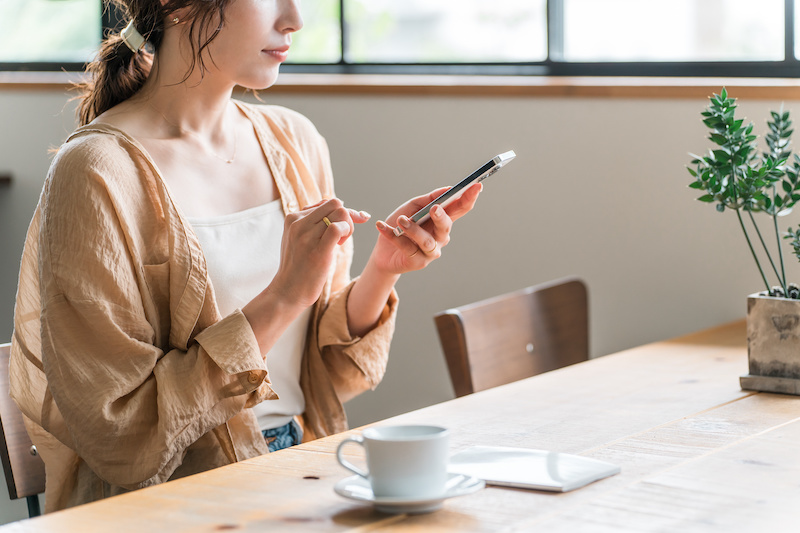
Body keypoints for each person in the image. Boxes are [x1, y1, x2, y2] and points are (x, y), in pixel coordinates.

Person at [8, 0, 482, 513]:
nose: (295, 20)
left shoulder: (293, 139)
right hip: (168, 505)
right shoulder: (96, 172)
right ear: (178, 6)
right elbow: (120, 433)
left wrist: (383, 270)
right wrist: (283, 296)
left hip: (303, 470)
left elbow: (327, 376)